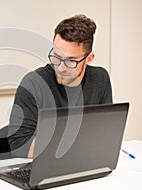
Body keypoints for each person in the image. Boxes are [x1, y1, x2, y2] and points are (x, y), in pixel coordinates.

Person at [7, 14, 113, 158]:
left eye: (71, 61)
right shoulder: (33, 83)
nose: (61, 67)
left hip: (84, 162)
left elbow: (105, 132)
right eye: (56, 57)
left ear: (89, 58)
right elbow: (17, 144)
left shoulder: (100, 79)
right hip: (43, 165)